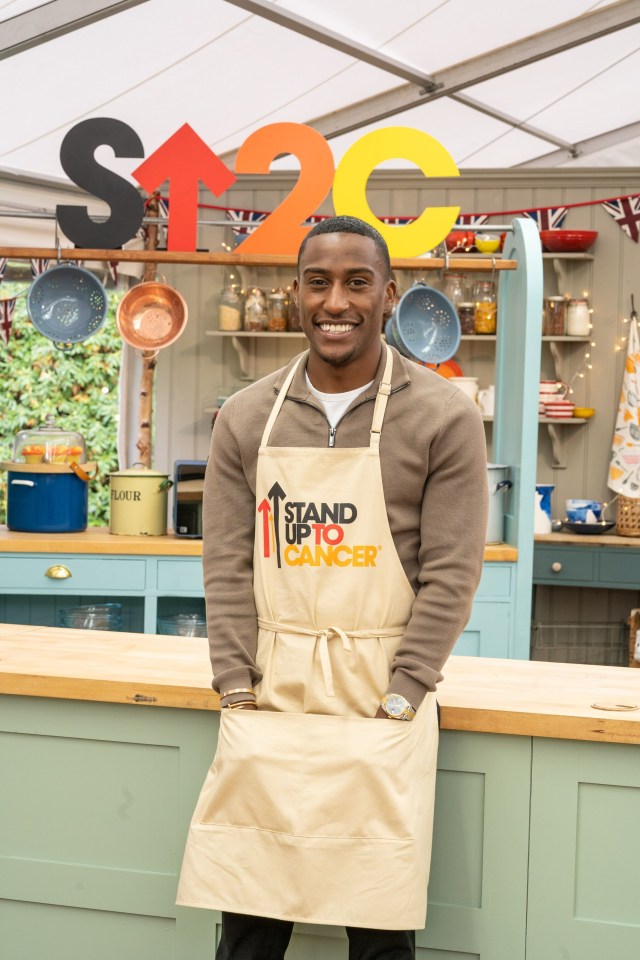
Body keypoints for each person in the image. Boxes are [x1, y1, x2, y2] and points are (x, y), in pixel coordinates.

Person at [177, 215, 489, 959]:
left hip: (380, 691)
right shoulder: (248, 416)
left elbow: (452, 570)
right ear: (295, 295)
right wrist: (234, 684)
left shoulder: (443, 416)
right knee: (249, 927)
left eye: (356, 283)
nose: (336, 302)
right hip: (272, 688)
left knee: (379, 935)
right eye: (318, 283)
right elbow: (226, 562)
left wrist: (406, 688)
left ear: (389, 296)